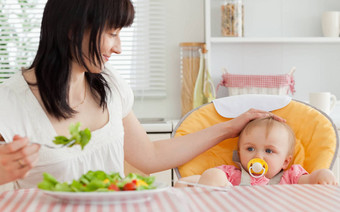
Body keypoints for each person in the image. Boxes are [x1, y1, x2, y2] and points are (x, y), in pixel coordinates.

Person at [0, 0, 284, 190]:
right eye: (112, 34)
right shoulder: (10, 103)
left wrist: (229, 128)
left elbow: (150, 156)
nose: (119, 47)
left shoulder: (108, 85)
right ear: (74, 30)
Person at [176, 117, 337, 187]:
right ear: (239, 153)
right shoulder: (231, 174)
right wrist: (199, 181)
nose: (258, 156)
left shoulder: (291, 177)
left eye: (269, 150)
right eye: (250, 149)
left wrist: (323, 175)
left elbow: (311, 181)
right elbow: (204, 181)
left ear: (286, 161)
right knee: (213, 176)